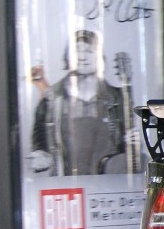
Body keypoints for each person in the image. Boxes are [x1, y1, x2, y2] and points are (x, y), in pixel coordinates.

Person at [28, 30, 131, 175]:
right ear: (67, 57)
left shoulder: (118, 98)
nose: (82, 57)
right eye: (77, 51)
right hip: (67, 188)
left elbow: (126, 150)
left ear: (100, 57)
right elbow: (39, 145)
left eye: (89, 51)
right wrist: (40, 156)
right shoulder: (50, 99)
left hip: (109, 187)